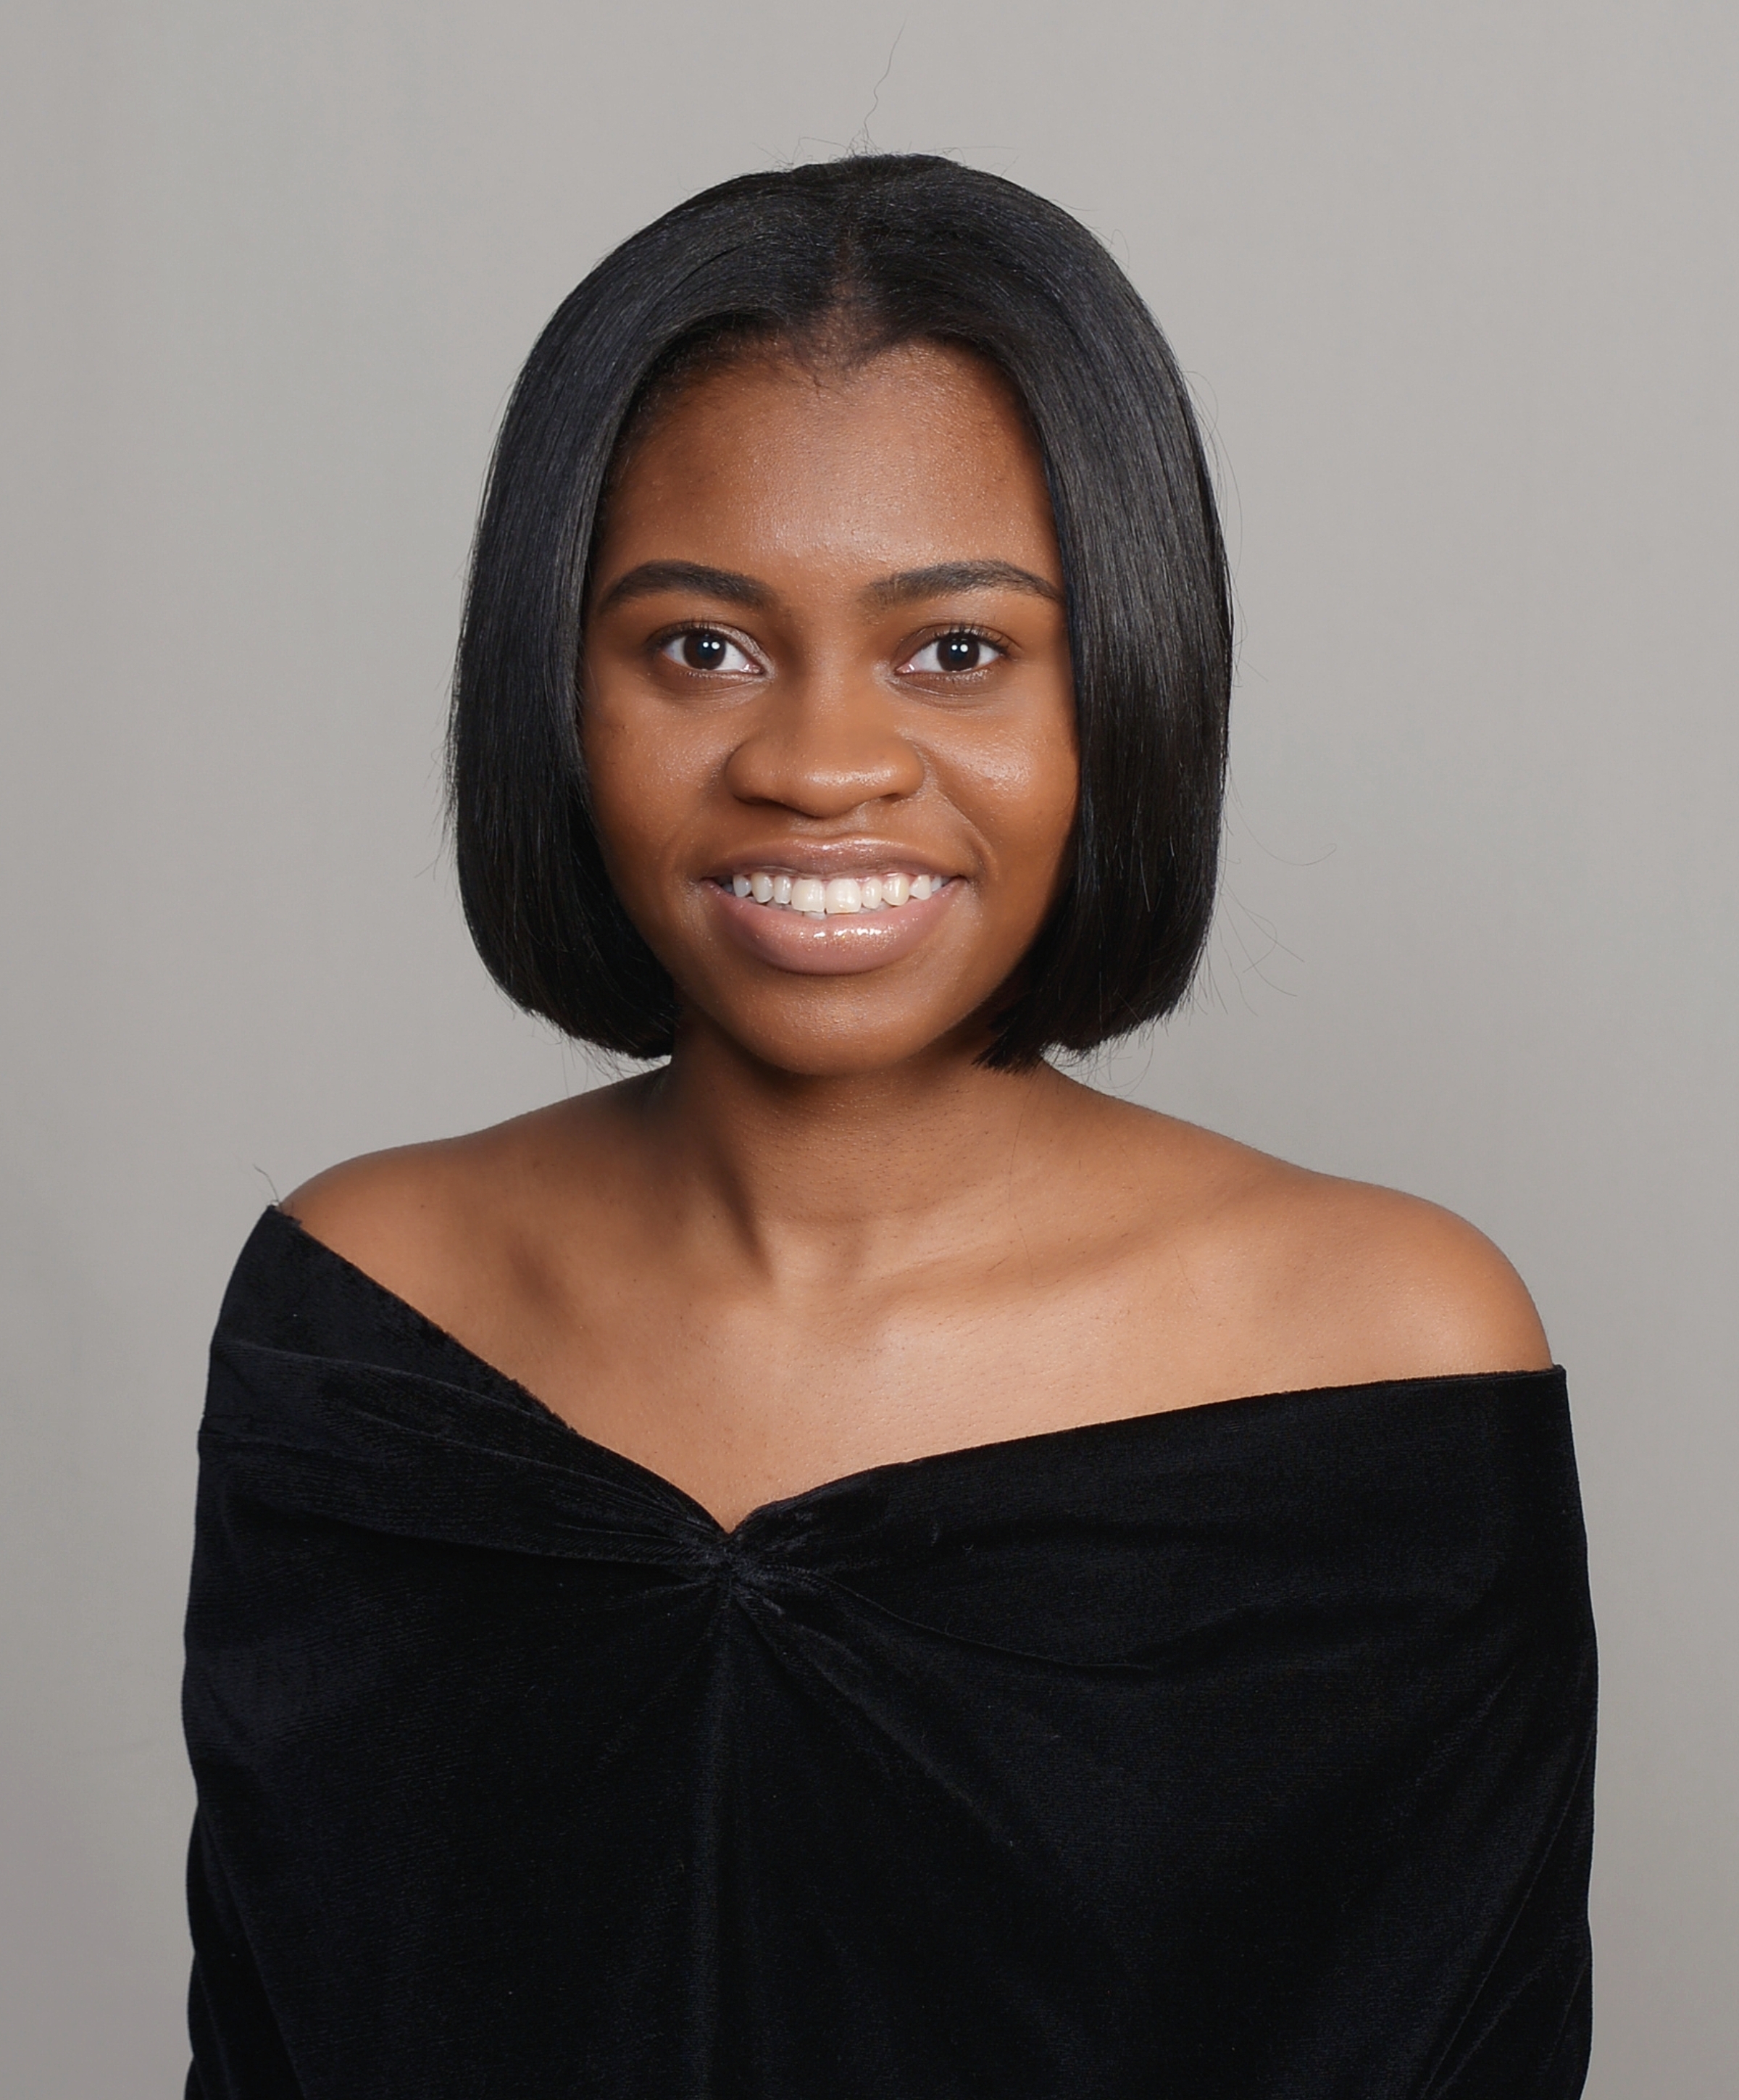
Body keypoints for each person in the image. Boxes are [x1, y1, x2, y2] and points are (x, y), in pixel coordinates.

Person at [182, 154, 1595, 2099]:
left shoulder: (1385, 1352)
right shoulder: (368, 1313)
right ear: (554, 685)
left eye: (957, 650)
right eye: (700, 646)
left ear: (1127, 686)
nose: (819, 764)